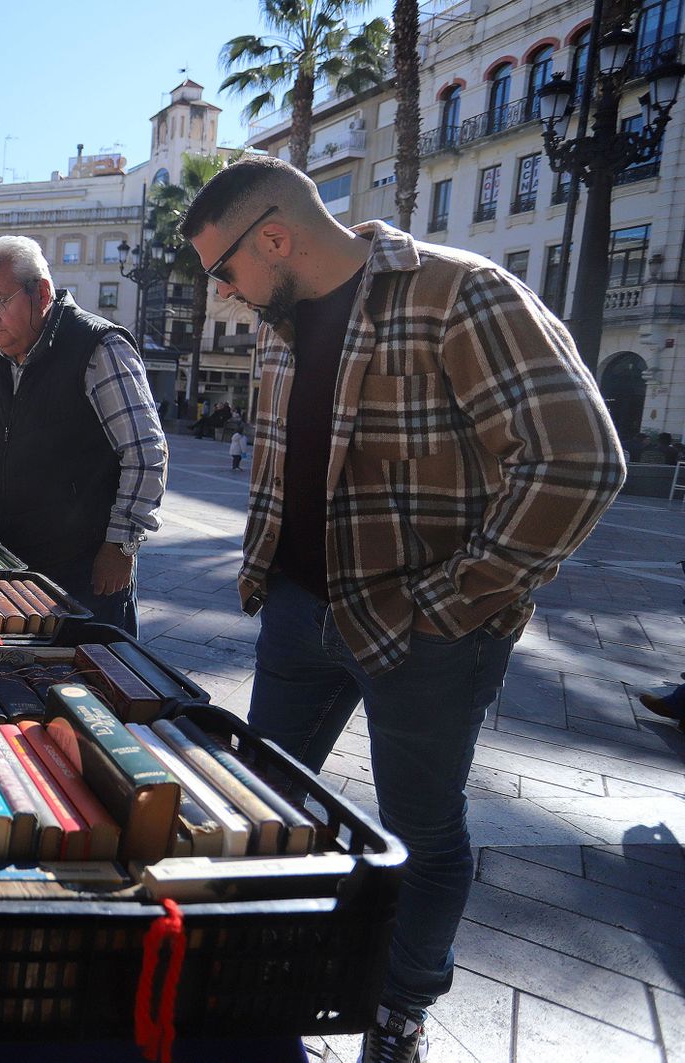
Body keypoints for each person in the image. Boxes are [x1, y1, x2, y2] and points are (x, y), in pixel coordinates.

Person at [180, 155, 625, 1063]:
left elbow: (578, 460)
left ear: (274, 236)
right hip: (298, 616)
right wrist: (264, 569)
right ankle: (266, 971)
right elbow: (282, 458)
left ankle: (400, 1008)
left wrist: (454, 601)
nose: (223, 294)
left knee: (422, 832)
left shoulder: (460, 295)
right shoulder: (279, 321)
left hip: (427, 632)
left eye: (224, 269)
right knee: (262, 805)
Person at [0, 236, 167, 633]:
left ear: (41, 292)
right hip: (10, 556)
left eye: (0, 302)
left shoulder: (97, 347)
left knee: (91, 673)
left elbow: (145, 452)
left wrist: (121, 545)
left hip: (81, 565)